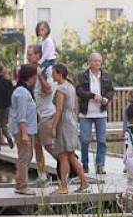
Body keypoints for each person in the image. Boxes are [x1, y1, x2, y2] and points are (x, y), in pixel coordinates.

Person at [48, 64, 91, 195]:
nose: (52, 75)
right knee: (71, 155)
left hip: (64, 123)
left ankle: (64, 186)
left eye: (53, 73)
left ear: (60, 73)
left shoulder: (61, 89)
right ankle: (83, 182)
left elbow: (59, 109)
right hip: (71, 120)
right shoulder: (70, 86)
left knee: (63, 155)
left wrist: (53, 127)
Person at [76, 52, 114, 174]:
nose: (97, 63)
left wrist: (106, 99)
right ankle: (85, 164)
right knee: (85, 140)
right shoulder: (82, 76)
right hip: (85, 113)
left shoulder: (106, 75)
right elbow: (79, 91)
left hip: (101, 113)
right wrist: (93, 96)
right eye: (94, 61)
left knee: (102, 141)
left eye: (99, 61)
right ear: (89, 62)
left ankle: (100, 165)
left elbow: (111, 91)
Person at [9, 64, 38, 196]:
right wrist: (24, 134)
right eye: (35, 76)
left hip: (28, 129)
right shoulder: (21, 92)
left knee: (27, 156)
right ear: (30, 77)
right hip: (23, 130)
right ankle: (22, 186)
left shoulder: (25, 90)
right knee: (24, 157)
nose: (36, 78)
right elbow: (21, 115)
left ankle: (19, 182)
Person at [26, 45, 53, 186]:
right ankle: (42, 175)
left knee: (49, 145)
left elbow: (48, 90)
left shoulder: (46, 70)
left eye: (30, 54)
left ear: (38, 55)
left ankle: (71, 167)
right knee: (37, 145)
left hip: (47, 114)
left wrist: (39, 75)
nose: (27, 57)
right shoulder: (29, 72)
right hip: (34, 114)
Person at [0, 64, 15, 148]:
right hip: (6, 105)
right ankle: (8, 136)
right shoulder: (8, 82)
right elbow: (12, 92)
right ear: (2, 71)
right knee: (4, 124)